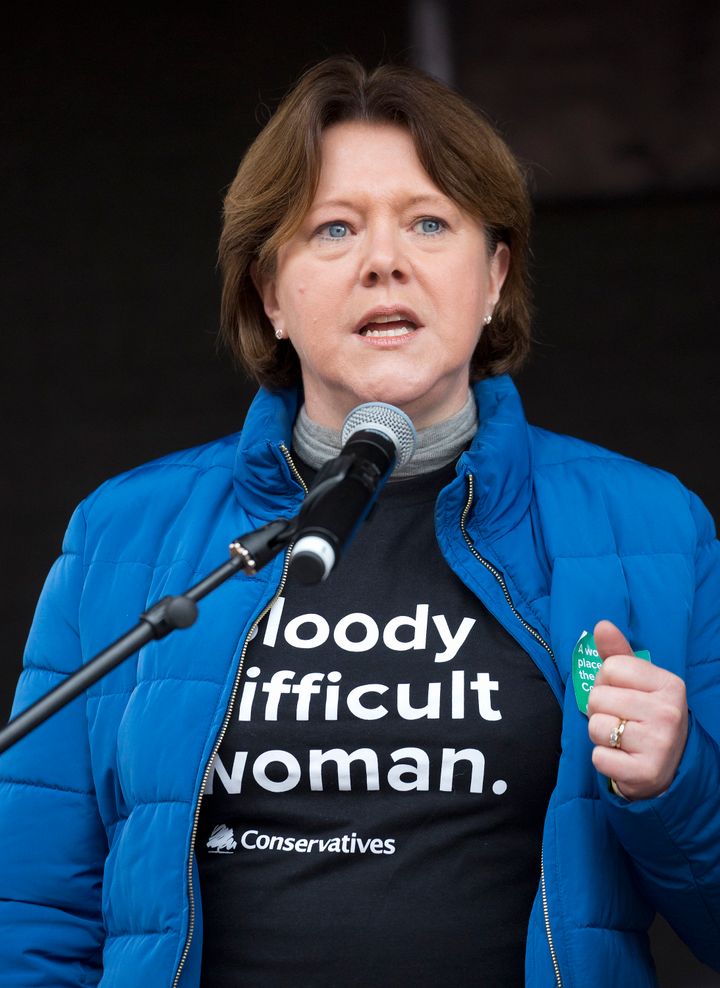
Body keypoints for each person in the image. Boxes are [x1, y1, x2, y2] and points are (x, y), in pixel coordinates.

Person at [1, 56, 718, 988]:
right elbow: (31, 913)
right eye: (334, 229)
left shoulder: (650, 527)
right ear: (269, 292)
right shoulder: (122, 536)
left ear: (494, 275)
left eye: (429, 222)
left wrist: (674, 785)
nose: (386, 261)